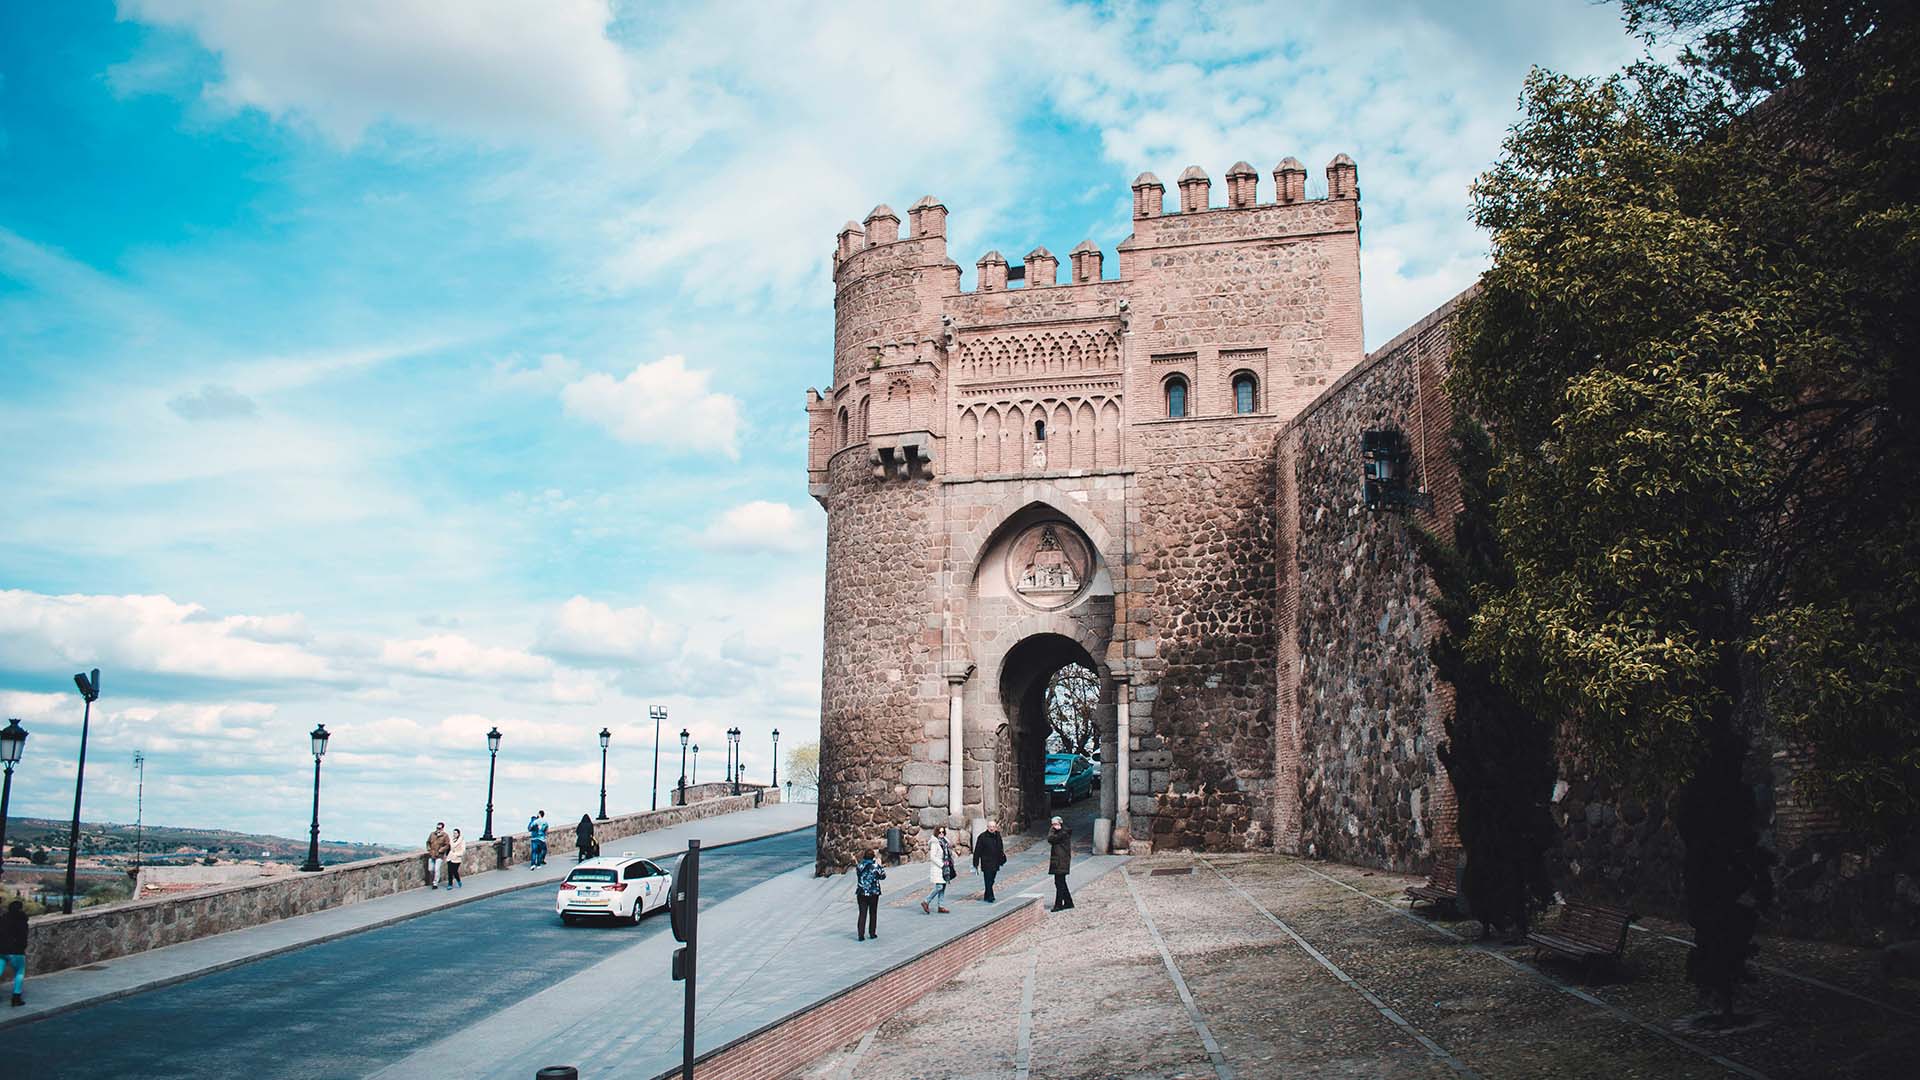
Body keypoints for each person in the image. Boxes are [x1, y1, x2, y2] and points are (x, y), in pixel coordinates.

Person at [920, 825, 955, 914]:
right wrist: (942, 865)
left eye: (943, 832)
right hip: (939, 868)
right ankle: (926, 901)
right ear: (936, 833)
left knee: (943, 887)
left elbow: (948, 853)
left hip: (946, 867)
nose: (941, 834)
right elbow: (932, 857)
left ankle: (941, 906)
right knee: (939, 887)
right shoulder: (935, 843)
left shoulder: (945, 842)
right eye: (939, 832)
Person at [855, 847, 886, 941]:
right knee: (873, 913)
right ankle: (872, 933)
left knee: (862, 913)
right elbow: (883, 876)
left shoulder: (859, 866)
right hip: (873, 892)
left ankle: (861, 935)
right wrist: (879, 864)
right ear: (873, 857)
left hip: (861, 892)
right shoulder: (876, 866)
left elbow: (859, 875)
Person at [973, 820, 1007, 903]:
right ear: (987, 827)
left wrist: (1001, 856)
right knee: (987, 879)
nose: (992, 828)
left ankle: (986, 894)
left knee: (992, 879)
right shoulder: (982, 837)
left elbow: (1000, 847)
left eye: (993, 827)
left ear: (995, 827)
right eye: (990, 827)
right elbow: (977, 851)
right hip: (986, 862)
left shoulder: (998, 835)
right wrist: (975, 862)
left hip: (995, 862)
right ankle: (990, 896)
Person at [1, 899, 26, 1007]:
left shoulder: (3, 919)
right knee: (19, 972)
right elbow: (22, 936)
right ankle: (16, 997)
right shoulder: (22, 919)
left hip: (1, 950)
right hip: (16, 951)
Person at [1048, 815, 1074, 911]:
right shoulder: (1059, 832)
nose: (1053, 826)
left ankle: (1058, 904)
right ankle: (1068, 902)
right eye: (1052, 825)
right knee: (1061, 882)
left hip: (1061, 861)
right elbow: (1050, 838)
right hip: (1058, 861)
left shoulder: (1063, 833)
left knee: (1059, 883)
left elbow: (1052, 838)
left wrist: (1053, 830)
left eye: (1055, 824)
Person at [425, 822, 451, 889]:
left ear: (442, 828)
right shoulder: (432, 834)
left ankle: (435, 883)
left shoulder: (445, 836)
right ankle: (434, 880)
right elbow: (428, 842)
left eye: (439, 828)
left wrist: (441, 850)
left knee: (437, 869)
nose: (438, 829)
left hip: (439, 855)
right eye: (437, 828)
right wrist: (429, 849)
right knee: (430, 869)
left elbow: (447, 845)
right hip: (432, 854)